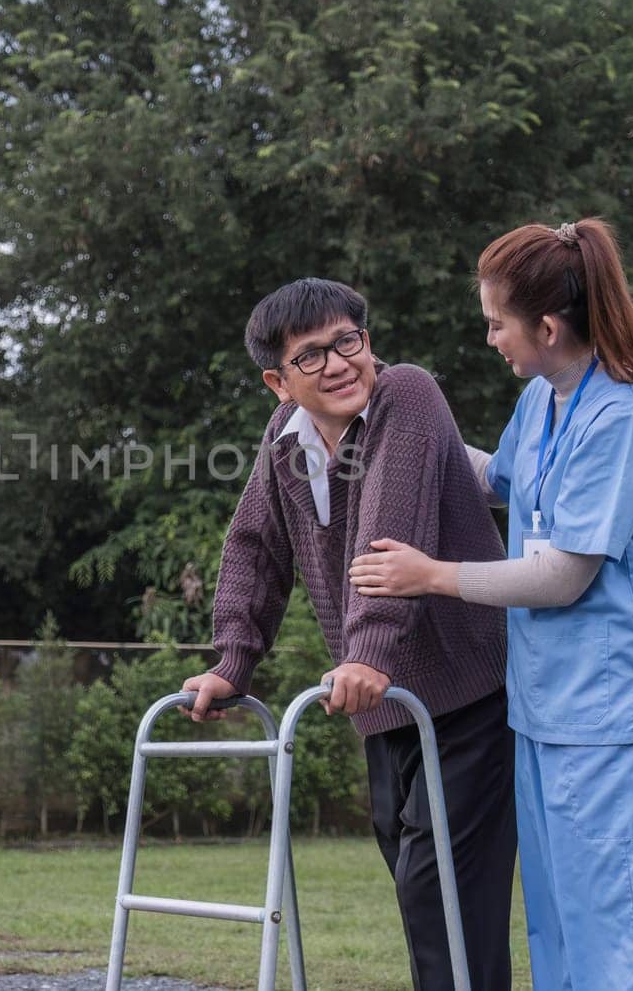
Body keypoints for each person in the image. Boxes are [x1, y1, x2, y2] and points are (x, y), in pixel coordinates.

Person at [349, 219, 633, 991]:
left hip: (619, 718)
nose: (489, 338)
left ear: (546, 326)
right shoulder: (543, 401)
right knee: (561, 927)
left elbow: (562, 575)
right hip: (546, 711)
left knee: (625, 932)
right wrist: (404, 421)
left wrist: (432, 574)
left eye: (496, 323)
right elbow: (492, 478)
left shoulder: (623, 416)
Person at [182, 277, 516, 991]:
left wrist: (367, 651)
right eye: (311, 355)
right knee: (414, 874)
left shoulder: (407, 396)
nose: (338, 363)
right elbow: (253, 546)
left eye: (348, 341)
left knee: (443, 888)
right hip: (388, 701)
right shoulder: (286, 440)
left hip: (468, 688)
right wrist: (232, 660)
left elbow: (387, 529)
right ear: (278, 381)